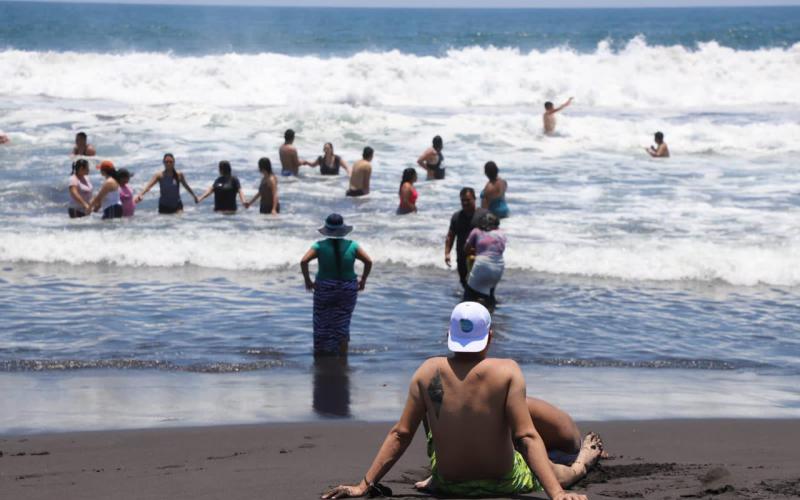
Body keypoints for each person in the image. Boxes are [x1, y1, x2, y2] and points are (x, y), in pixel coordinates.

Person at [322, 301, 603, 500]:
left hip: (448, 484)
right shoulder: (507, 372)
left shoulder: (427, 372)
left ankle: (439, 470)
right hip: (504, 482)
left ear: (448, 336)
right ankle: (584, 462)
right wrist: (556, 493)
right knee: (556, 472)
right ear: (489, 337)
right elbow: (526, 436)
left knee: (433, 402)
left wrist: (364, 484)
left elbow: (401, 433)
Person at [300, 214, 372, 356]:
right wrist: (363, 280)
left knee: (321, 322)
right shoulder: (353, 246)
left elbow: (303, 261)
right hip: (347, 288)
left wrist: (308, 280)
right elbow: (368, 261)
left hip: (325, 288)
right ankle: (342, 356)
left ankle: (321, 355)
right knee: (343, 322)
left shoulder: (319, 246)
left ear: (326, 229)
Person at [445, 187, 488, 289]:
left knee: (481, 286)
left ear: (474, 199)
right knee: (465, 284)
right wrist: (447, 253)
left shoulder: (483, 215)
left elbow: (491, 237)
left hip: (480, 258)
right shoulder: (457, 217)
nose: (465, 203)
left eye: (468, 200)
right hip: (462, 257)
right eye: (462, 200)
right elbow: (451, 235)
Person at [464, 212, 506, 309]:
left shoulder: (476, 231)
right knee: (488, 295)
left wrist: (475, 250)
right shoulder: (501, 233)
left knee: (469, 296)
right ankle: (489, 318)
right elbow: (500, 250)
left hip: (482, 265)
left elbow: (466, 249)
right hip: (498, 268)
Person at [135, 153, 199, 214]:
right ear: (163, 163)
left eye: (171, 162)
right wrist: (140, 194)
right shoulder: (159, 175)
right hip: (164, 206)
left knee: (179, 223)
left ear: (174, 162)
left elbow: (186, 186)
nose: (168, 164)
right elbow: (148, 186)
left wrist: (194, 196)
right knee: (165, 224)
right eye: (166, 162)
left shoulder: (179, 175)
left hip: (177, 205)